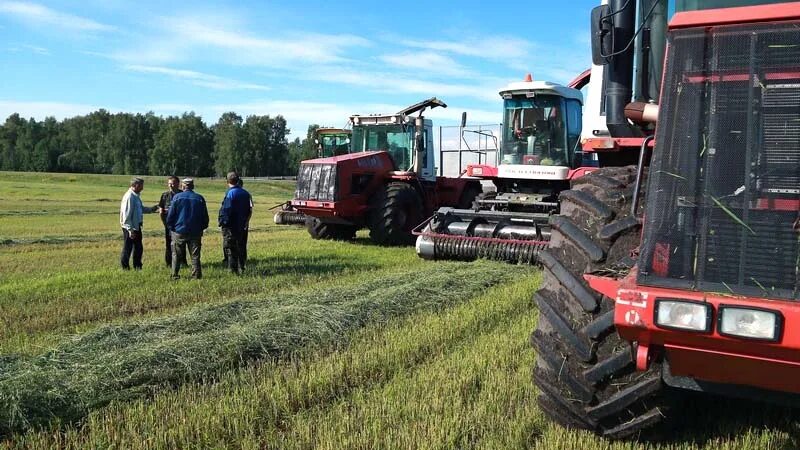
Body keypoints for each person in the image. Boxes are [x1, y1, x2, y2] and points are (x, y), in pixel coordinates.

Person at [167, 178, 209, 279]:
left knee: (176, 254)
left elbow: (170, 216)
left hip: (179, 231)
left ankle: (175, 275)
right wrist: (201, 228)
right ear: (192, 186)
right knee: (195, 256)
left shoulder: (177, 197)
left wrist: (171, 227)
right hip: (195, 231)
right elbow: (205, 217)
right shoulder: (199, 198)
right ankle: (196, 275)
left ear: (183, 186)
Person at [218, 172, 253, 274]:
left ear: (227, 181)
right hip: (242, 224)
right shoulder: (245, 193)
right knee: (241, 246)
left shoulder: (230, 193)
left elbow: (227, 210)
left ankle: (233, 270)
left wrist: (222, 222)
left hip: (231, 225)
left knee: (231, 247)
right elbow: (249, 210)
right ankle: (242, 266)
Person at [119, 177, 146, 270]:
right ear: (134, 185)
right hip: (130, 227)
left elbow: (141, 209)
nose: (142, 188)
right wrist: (130, 230)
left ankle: (137, 266)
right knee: (128, 248)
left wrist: (153, 208)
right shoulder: (129, 197)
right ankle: (125, 267)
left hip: (136, 226)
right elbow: (126, 216)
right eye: (141, 185)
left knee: (138, 248)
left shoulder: (135, 196)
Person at [157, 176, 181, 267]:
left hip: (180, 224)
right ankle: (169, 263)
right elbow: (161, 210)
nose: (171, 185)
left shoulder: (182, 194)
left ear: (178, 184)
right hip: (169, 225)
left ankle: (182, 262)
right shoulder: (164, 195)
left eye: (173, 183)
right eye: (169, 183)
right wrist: (165, 223)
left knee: (180, 244)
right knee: (169, 244)